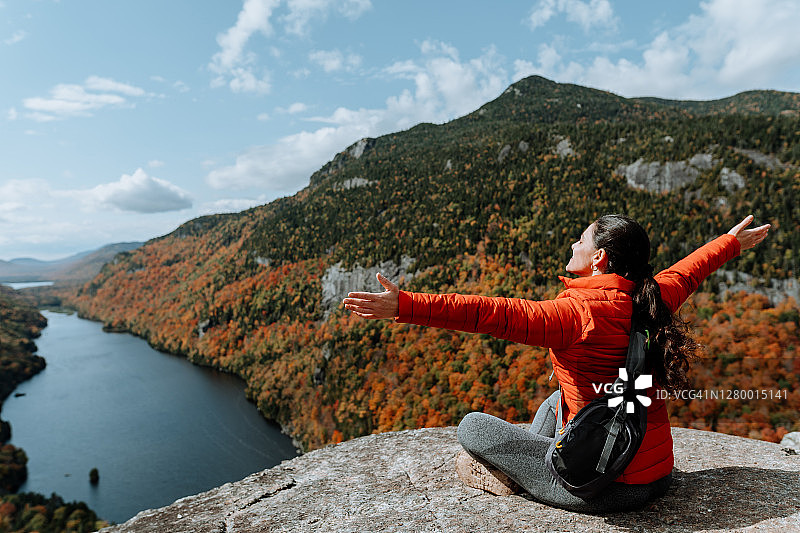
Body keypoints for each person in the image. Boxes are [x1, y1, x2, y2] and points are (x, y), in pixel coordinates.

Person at [342, 214, 770, 513]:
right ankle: (530, 466)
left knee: (472, 427)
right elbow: (689, 271)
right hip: (656, 473)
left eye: (581, 240)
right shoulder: (651, 297)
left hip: (603, 486)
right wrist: (730, 242)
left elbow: (490, 313)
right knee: (555, 400)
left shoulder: (576, 315)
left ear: (599, 259)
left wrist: (405, 305)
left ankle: (523, 476)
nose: (573, 244)